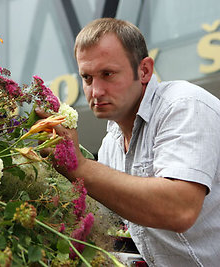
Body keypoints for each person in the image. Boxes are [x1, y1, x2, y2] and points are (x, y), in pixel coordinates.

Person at [37, 18, 220, 266]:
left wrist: (77, 166)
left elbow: (181, 209)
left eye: (108, 74)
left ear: (144, 70)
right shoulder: (111, 143)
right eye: (87, 78)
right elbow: (98, 220)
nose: (96, 91)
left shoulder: (184, 104)